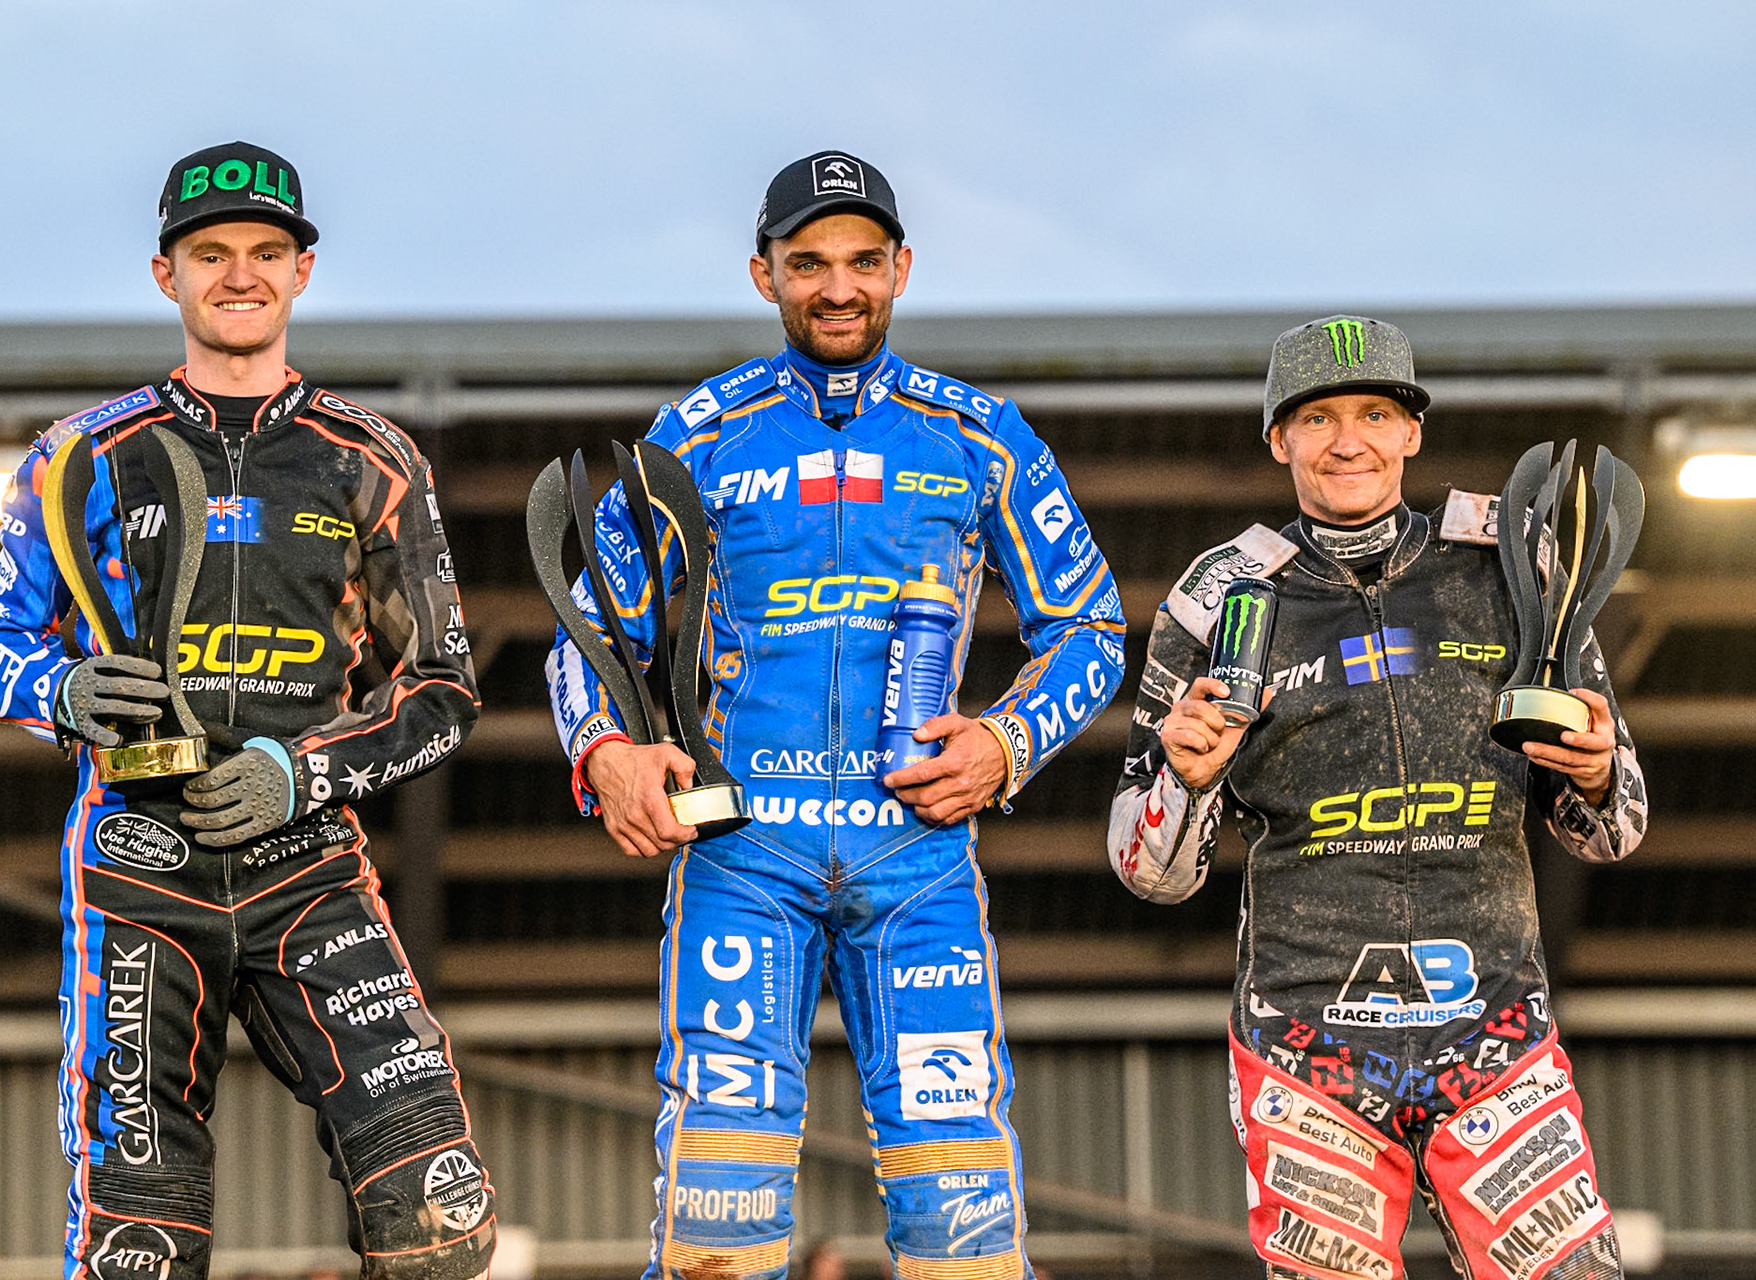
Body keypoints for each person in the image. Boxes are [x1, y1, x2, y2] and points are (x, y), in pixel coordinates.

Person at [545, 151, 1126, 1280]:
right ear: (763, 275)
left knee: (960, 1211)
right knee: (717, 1209)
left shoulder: (982, 432)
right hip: (739, 848)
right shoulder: (698, 432)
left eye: (863, 260)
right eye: (808, 262)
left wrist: (1004, 743)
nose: (839, 286)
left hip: (916, 857)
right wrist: (605, 753)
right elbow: (588, 629)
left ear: (902, 267)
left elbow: (1093, 629)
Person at [0, 141, 495, 1280]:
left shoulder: (372, 459)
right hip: (141, 866)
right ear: (167, 275)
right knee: (139, 1246)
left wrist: (306, 773)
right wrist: (59, 690)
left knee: (440, 1222)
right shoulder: (82, 457)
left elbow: (442, 688)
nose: (238, 275)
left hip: (310, 864)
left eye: (264, 251)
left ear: (302, 270)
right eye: (211, 254)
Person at [1107, 315, 1648, 1280]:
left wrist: (1599, 770)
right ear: (1277, 439)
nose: (1345, 439)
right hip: (1306, 1042)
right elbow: (1148, 873)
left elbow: (1615, 830)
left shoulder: (1512, 560)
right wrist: (1184, 779)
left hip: (1495, 1032)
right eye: (1316, 418)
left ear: (1413, 431)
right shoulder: (1216, 597)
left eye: (1372, 412)